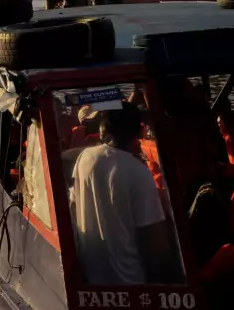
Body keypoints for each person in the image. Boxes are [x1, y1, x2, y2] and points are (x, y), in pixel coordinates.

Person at [69, 101, 177, 284]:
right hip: (130, 285)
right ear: (137, 135)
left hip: (93, 280)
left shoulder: (84, 158)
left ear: (104, 128)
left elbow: (73, 204)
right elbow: (155, 243)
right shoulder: (138, 172)